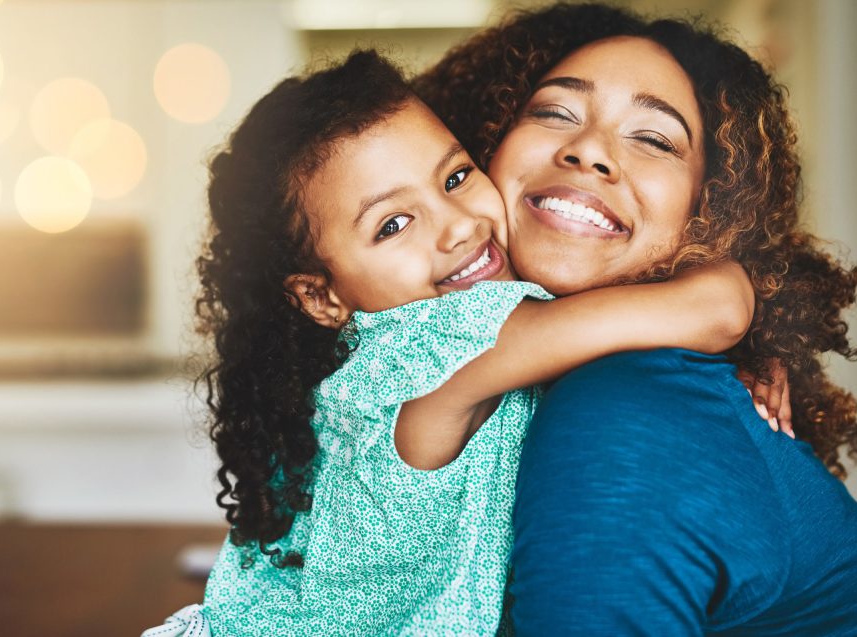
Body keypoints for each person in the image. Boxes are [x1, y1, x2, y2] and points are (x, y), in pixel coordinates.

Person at [142, 50, 765, 636]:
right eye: (393, 224)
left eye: (457, 176)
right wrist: (746, 280)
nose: (459, 226)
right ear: (321, 297)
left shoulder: (404, 349)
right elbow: (718, 309)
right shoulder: (429, 354)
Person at [415, 3, 857, 634]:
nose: (589, 150)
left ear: (712, 214)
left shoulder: (621, 409)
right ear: (482, 148)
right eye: (553, 112)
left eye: (653, 139)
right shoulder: (461, 373)